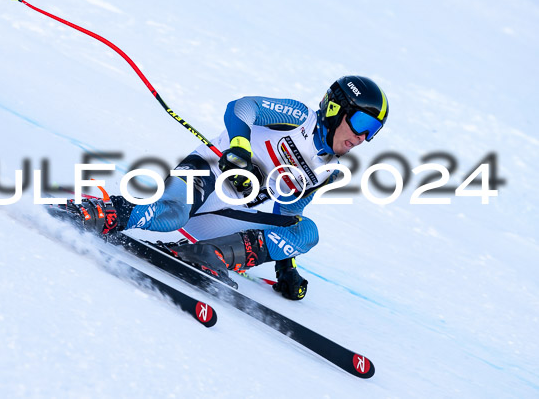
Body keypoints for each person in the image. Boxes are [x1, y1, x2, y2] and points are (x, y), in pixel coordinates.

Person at [59, 75, 389, 300]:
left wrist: (285, 264)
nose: (362, 138)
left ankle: (208, 254)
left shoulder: (327, 170)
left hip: (227, 213)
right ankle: (100, 211)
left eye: (372, 132)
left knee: (306, 232)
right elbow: (241, 107)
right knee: (171, 215)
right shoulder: (298, 116)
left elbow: (287, 213)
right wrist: (241, 147)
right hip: (204, 174)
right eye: (361, 123)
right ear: (335, 110)